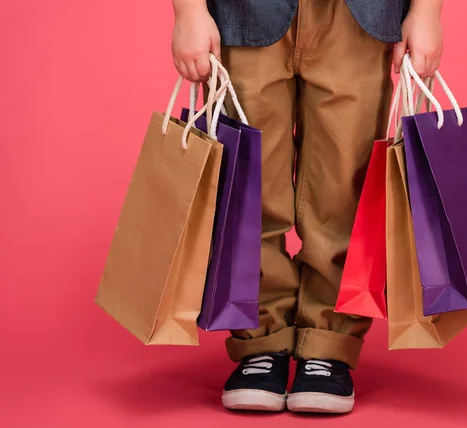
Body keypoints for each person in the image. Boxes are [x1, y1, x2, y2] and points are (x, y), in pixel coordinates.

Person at [171, 0, 443, 414]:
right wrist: (188, 11)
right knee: (247, 180)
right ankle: (261, 340)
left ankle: (329, 343)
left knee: (345, 186)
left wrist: (427, 10)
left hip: (359, 17)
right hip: (243, 11)